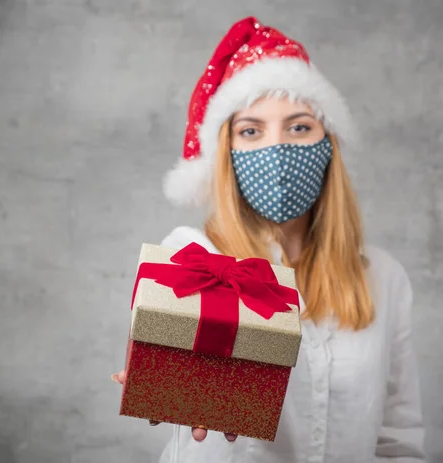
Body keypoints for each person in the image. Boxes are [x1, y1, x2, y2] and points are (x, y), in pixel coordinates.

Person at [111, 16, 426, 463]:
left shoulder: (384, 278)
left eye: (299, 127)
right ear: (226, 154)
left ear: (328, 145)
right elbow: (194, 429)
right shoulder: (198, 260)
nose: (276, 150)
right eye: (251, 131)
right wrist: (176, 379)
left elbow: (399, 442)